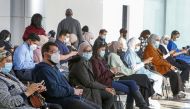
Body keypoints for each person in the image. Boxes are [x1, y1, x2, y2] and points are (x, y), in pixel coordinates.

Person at [32, 42, 100, 109]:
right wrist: (73, 91)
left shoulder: (53, 67)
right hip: (60, 101)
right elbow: (54, 91)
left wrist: (73, 89)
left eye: (58, 52)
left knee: (98, 107)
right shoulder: (43, 70)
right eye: (54, 52)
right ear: (45, 54)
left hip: (69, 97)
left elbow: (62, 84)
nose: (57, 55)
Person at [91, 42, 150, 109]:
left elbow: (106, 72)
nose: (103, 52)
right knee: (131, 89)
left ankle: (143, 106)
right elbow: (99, 78)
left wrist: (113, 72)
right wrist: (111, 71)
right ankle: (142, 106)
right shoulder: (94, 61)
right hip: (106, 83)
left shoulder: (101, 59)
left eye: (104, 50)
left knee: (132, 83)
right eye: (102, 50)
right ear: (96, 50)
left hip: (110, 80)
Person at [69, 41, 114, 109]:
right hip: (85, 90)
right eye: (87, 51)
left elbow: (92, 80)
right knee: (109, 95)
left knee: (110, 94)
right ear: (81, 51)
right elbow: (88, 83)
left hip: (89, 88)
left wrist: (105, 88)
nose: (89, 53)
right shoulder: (79, 64)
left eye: (90, 51)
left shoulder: (85, 61)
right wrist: (105, 88)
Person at [143, 34, 184, 99]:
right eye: (157, 40)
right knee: (174, 74)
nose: (158, 42)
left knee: (176, 72)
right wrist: (170, 66)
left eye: (159, 40)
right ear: (152, 40)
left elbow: (162, 58)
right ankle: (176, 93)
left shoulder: (154, 48)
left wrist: (170, 65)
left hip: (162, 66)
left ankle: (179, 92)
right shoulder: (149, 48)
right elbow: (157, 61)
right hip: (157, 68)